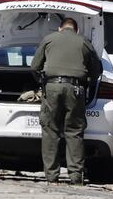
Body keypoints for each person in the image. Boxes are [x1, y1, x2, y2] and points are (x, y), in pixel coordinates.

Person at [31, 17, 102, 186]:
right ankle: (76, 175)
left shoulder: (49, 39)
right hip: (76, 89)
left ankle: (51, 176)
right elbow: (96, 70)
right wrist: (87, 84)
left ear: (59, 28)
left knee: (50, 131)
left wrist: (42, 83)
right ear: (76, 30)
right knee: (74, 131)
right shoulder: (84, 42)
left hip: (52, 86)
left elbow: (34, 67)